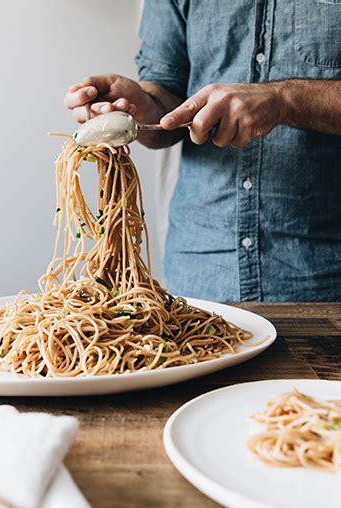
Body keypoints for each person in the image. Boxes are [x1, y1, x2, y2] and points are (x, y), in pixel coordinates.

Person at [64, 0, 341, 302]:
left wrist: (285, 100)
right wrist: (143, 105)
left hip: (325, 275)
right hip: (198, 273)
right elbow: (165, 94)